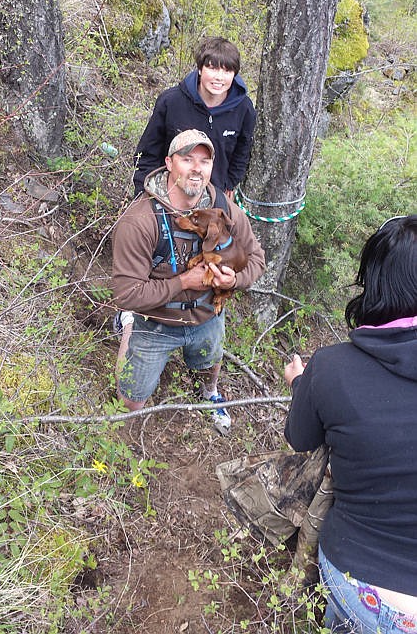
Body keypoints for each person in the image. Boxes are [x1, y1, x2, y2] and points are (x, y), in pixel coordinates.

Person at [284, 215, 417, 633]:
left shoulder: (332, 367)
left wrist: (302, 384)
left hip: (362, 577)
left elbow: (300, 436)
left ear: (373, 281)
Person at [112, 129, 265, 434]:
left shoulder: (224, 209)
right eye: (187, 159)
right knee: (129, 405)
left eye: (205, 161)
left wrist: (235, 279)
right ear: (169, 163)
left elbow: (257, 259)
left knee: (209, 369)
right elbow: (127, 294)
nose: (197, 168)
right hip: (155, 321)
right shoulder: (140, 220)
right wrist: (184, 281)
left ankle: (208, 394)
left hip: (208, 317)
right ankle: (130, 326)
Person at [133, 37, 256, 199]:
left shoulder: (244, 108)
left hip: (213, 195)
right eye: (212, 68)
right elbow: (147, 152)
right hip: (169, 193)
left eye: (227, 71)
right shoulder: (171, 102)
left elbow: (242, 152)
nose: (219, 77)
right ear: (200, 69)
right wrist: (143, 193)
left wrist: (229, 184)